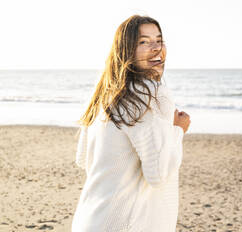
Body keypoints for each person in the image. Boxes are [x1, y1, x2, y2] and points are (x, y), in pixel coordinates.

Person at [71, 15, 191, 232]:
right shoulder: (150, 94)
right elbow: (158, 173)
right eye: (144, 42)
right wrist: (178, 130)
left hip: (90, 219)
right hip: (124, 224)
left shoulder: (103, 96)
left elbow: (84, 160)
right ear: (126, 50)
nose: (156, 48)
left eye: (159, 39)